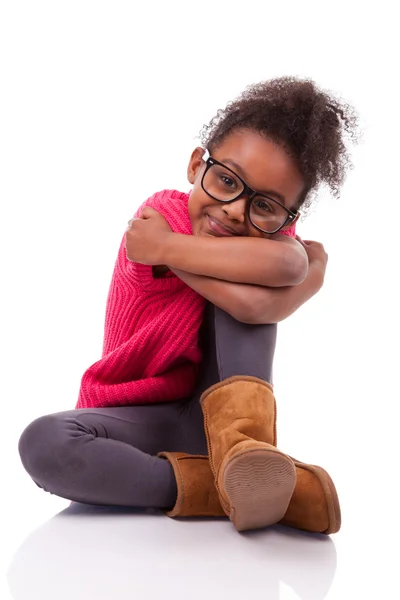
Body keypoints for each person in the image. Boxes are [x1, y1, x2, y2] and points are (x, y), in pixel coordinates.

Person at [18, 76, 359, 534]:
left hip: (221, 419)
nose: (238, 211)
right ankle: (231, 487)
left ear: (290, 218)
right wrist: (306, 271)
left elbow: (275, 278)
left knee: (245, 286)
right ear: (197, 164)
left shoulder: (211, 239)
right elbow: (289, 268)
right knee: (44, 442)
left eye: (266, 207)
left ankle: (242, 447)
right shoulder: (162, 215)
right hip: (139, 420)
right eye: (225, 180)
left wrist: (165, 251)